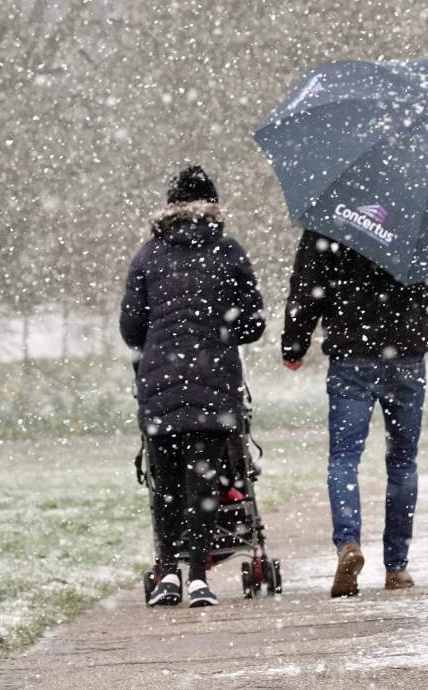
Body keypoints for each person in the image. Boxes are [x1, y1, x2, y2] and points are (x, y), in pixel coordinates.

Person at [282, 229, 428, 597]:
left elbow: (307, 287)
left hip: (351, 353)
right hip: (406, 353)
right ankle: (397, 566)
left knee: (344, 458)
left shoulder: (329, 218)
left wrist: (294, 344)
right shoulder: (415, 214)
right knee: (403, 461)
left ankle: (348, 543)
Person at [120, 166, 265, 607]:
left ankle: (167, 571)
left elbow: (131, 327)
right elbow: (254, 322)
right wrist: (220, 331)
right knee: (203, 480)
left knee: (165, 483)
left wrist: (163, 340)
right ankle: (200, 576)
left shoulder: (148, 256)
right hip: (213, 385)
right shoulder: (228, 251)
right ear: (213, 206)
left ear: (170, 207)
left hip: (161, 385)